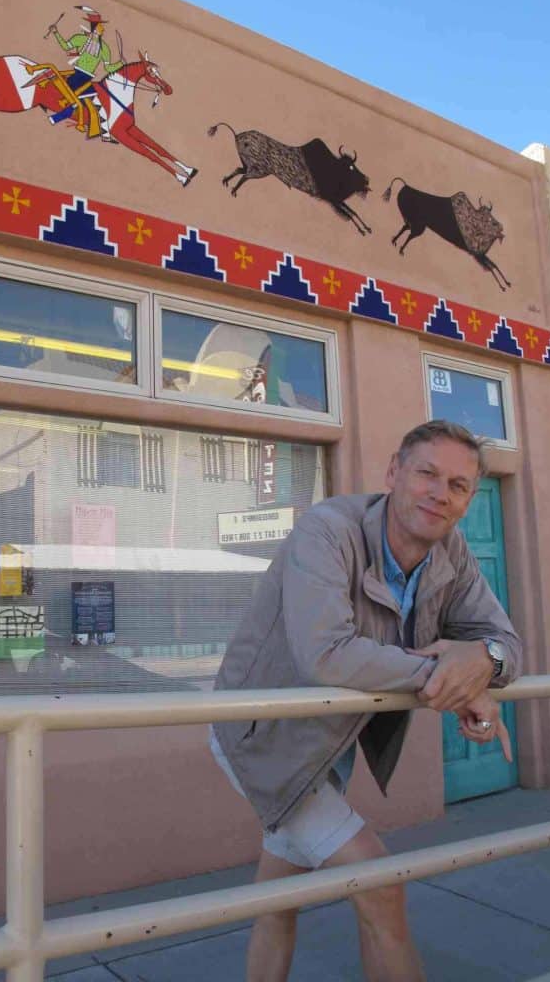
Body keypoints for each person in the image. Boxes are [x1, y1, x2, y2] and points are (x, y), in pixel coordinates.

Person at [211, 420, 522, 982]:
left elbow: (506, 643)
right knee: (380, 887)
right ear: (393, 473)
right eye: (426, 473)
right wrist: (452, 678)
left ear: (468, 501)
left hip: (327, 748)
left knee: (275, 901)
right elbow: (326, 653)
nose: (438, 493)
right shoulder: (327, 530)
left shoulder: (451, 554)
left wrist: (486, 661)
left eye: (457, 485)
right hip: (265, 741)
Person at [47, 6, 123, 133]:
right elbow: (66, 47)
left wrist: (120, 64)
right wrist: (56, 33)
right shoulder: (80, 39)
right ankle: (57, 118)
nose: (103, 29)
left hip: (88, 78)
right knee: (76, 102)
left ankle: (84, 124)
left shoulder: (105, 48)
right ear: (94, 28)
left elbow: (108, 67)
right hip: (76, 75)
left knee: (91, 101)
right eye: (100, 26)